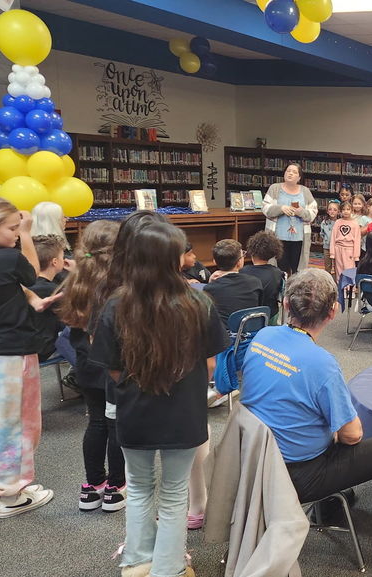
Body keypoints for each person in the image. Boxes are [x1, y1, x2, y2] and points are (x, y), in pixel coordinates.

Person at [239, 268, 372, 570]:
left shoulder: (263, 336)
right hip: (299, 475)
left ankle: (330, 506)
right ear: (333, 312)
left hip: (257, 461)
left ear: (285, 305)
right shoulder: (322, 364)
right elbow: (352, 436)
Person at [90, 221, 229, 577]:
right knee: (173, 493)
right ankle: (168, 568)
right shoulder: (199, 302)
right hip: (184, 412)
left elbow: (114, 370)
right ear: (174, 259)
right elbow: (212, 364)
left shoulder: (116, 306)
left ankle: (136, 562)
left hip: (134, 412)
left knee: (138, 488)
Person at [0, 197, 57, 517]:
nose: (17, 234)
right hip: (7, 352)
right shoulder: (6, 258)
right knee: (16, 424)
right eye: (12, 228)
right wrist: (31, 235)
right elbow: (34, 274)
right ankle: (9, 493)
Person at [57, 220, 126, 512]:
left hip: (85, 365)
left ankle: (92, 485)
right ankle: (116, 487)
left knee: (96, 421)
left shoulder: (76, 279)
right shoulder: (117, 284)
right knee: (117, 425)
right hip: (111, 364)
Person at [262, 163, 318, 275]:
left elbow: (313, 212)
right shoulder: (274, 188)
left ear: (299, 177)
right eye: (288, 171)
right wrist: (281, 208)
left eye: (294, 172)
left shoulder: (305, 191)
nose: (290, 173)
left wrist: (300, 212)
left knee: (297, 269)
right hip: (277, 237)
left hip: (299, 238)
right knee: (280, 269)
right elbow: (265, 208)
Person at [203, 239, 264, 324]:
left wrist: (210, 283)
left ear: (214, 261)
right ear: (239, 262)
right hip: (250, 331)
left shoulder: (209, 289)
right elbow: (259, 307)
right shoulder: (255, 282)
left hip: (223, 334)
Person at [28, 234, 68, 361]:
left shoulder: (25, 284)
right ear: (55, 262)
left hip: (27, 346)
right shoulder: (52, 290)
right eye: (63, 257)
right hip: (43, 349)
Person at [241, 230, 286, 321]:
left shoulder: (243, 272)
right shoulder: (278, 273)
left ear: (252, 251)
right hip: (269, 315)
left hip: (246, 316)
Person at [330, 201, 362, 278]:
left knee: (349, 270)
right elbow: (333, 237)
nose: (346, 211)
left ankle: (350, 288)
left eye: (348, 209)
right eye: (343, 209)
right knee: (339, 270)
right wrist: (332, 253)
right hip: (338, 249)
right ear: (340, 211)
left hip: (349, 250)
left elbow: (357, 240)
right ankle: (340, 287)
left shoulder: (355, 223)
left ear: (351, 211)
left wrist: (356, 256)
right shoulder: (338, 222)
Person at [320, 200, 340, 281]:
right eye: (330, 209)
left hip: (336, 248)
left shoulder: (339, 222)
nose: (332, 211)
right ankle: (327, 280)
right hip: (327, 247)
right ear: (327, 211)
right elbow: (322, 233)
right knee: (327, 265)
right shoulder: (324, 222)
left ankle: (335, 280)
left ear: (338, 212)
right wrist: (326, 240)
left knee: (336, 265)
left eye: (335, 210)